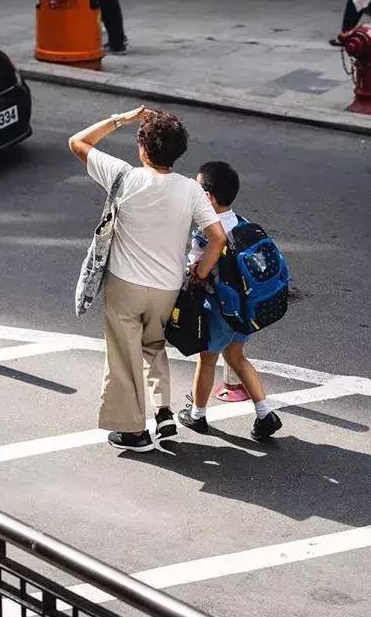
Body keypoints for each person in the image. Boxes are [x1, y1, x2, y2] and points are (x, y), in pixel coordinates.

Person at [68, 108, 227, 453]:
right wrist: (199, 275)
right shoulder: (190, 190)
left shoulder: (123, 176)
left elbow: (78, 142)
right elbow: (218, 237)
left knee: (124, 357)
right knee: (153, 346)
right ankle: (163, 410)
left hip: (125, 284)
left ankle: (133, 432)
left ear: (142, 148)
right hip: (167, 288)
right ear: (178, 151)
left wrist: (120, 120)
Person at [178, 161, 283, 442]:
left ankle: (197, 414)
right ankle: (265, 413)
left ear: (208, 197)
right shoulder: (242, 223)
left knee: (207, 360)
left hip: (219, 310)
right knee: (236, 357)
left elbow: (197, 270)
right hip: (245, 307)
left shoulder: (206, 232)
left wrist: (193, 273)